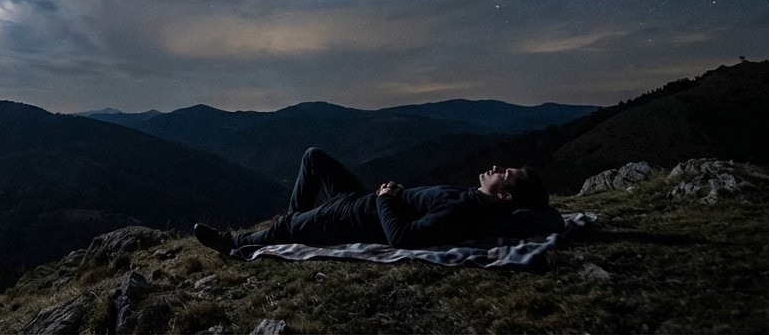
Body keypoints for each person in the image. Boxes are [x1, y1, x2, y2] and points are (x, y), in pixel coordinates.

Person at [194, 147, 556, 253]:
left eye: (504, 173)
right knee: (313, 157)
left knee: (288, 224)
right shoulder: (472, 199)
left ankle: (232, 243)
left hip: (355, 217)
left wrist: (385, 199)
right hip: (362, 201)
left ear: (505, 194)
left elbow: (402, 238)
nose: (496, 167)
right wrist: (393, 196)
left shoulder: (462, 208)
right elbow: (549, 217)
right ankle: (294, 227)